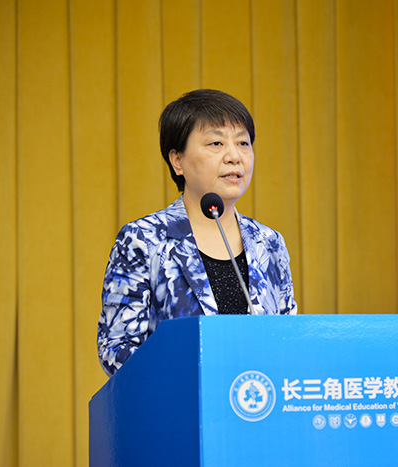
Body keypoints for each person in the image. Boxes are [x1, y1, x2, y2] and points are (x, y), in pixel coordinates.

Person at [97, 89, 297, 377]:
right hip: (177, 400)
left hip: (257, 398)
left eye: (243, 143)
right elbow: (117, 349)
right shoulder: (144, 240)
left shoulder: (269, 243)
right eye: (216, 143)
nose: (234, 157)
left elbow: (288, 340)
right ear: (177, 160)